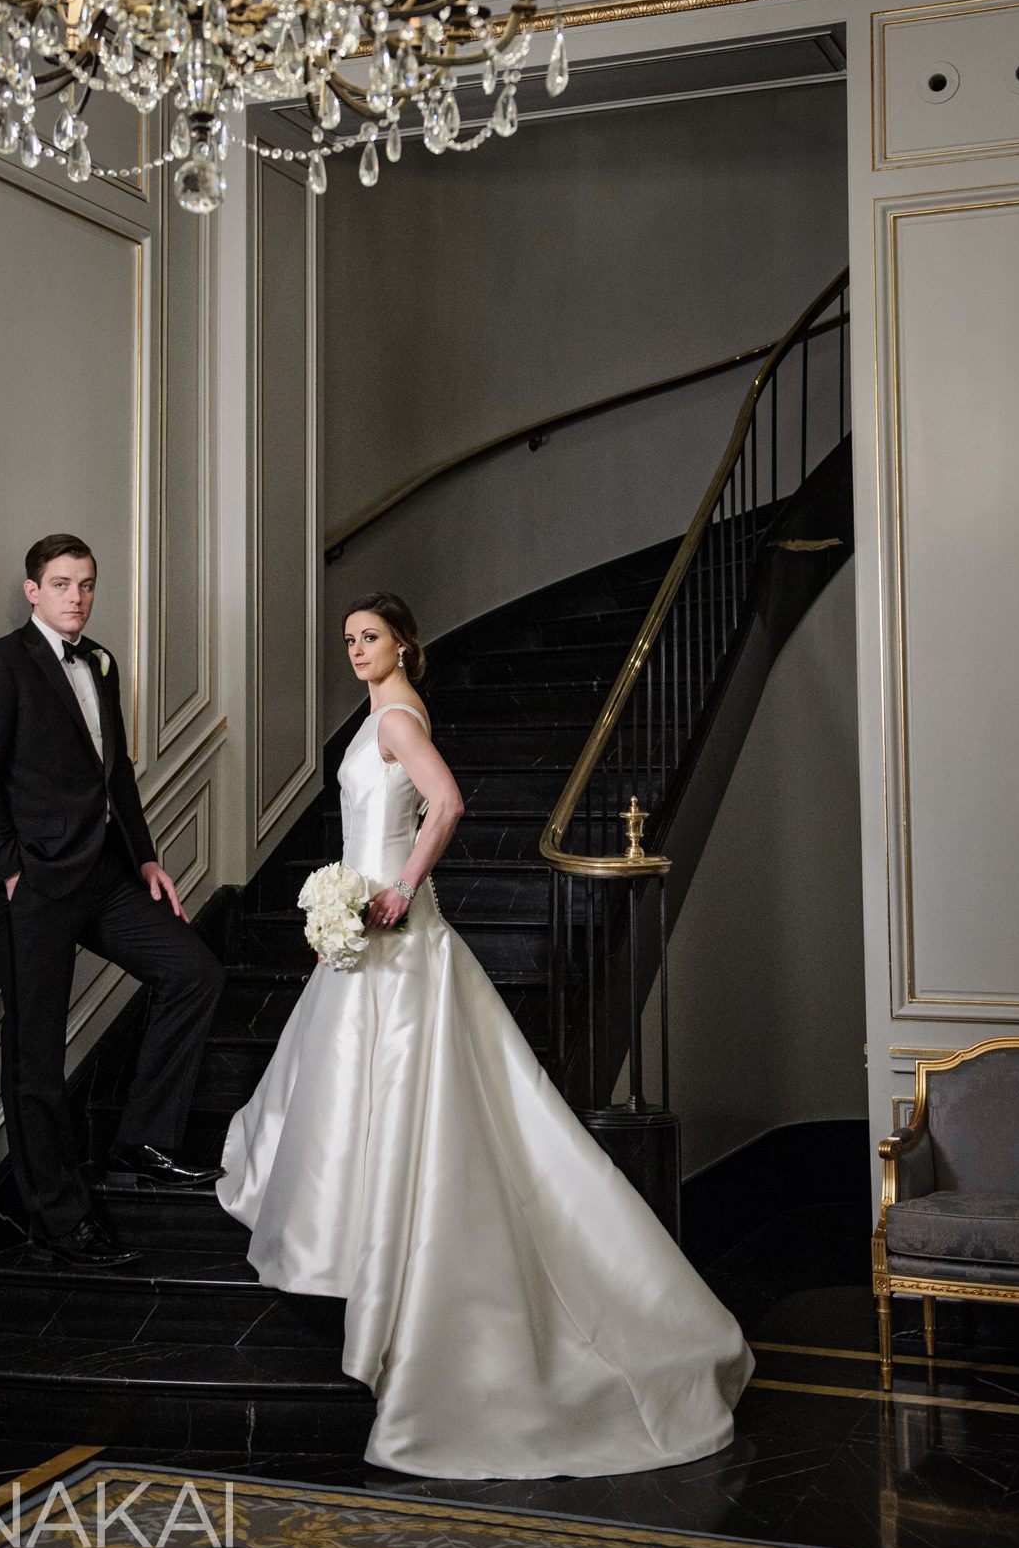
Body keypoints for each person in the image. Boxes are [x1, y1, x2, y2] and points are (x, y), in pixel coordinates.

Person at [217, 590, 753, 1479]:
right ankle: (361, 1234)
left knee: (400, 1094)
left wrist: (394, 889)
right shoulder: (387, 711)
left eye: (371, 637)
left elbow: (448, 802)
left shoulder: (394, 718)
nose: (356, 650)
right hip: (370, 925)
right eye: (348, 639)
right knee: (354, 1087)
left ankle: (391, 1260)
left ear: (404, 645)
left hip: (394, 926)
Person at [0, 533, 225, 1270]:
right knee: (36, 1055)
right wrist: (9, 873)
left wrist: (144, 856)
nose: (77, 596)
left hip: (103, 875)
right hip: (34, 886)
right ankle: (57, 1217)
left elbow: (118, 772)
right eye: (63, 583)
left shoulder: (99, 661)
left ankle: (143, 1140)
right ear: (32, 590)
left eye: (87, 584)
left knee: (193, 972)